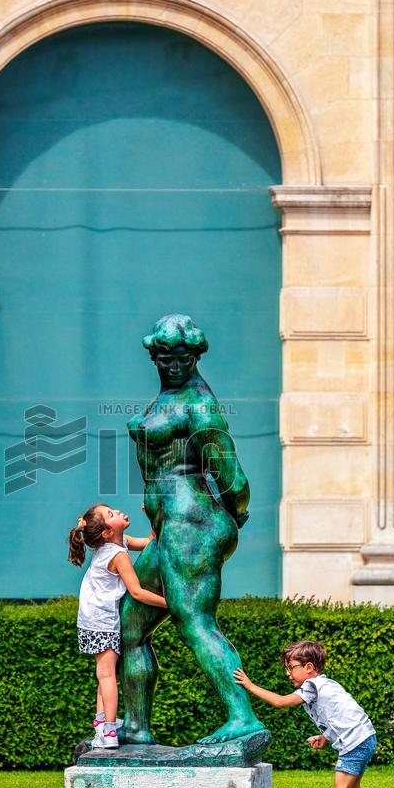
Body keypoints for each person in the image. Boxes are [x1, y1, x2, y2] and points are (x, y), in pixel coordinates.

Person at [120, 314, 267, 751]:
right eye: (164, 356)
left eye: (181, 357)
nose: (171, 364)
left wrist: (231, 517)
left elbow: (232, 475)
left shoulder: (200, 404)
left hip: (192, 522)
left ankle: (243, 717)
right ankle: (135, 728)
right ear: (154, 356)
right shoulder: (166, 398)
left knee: (195, 621)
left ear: (196, 356)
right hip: (169, 526)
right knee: (130, 626)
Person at [233, 640, 377, 788]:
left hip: (354, 743)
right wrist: (325, 737)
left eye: (291, 667)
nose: (288, 673)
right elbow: (340, 715)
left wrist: (250, 685)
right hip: (365, 737)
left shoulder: (311, 686)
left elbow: (281, 702)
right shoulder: (328, 685)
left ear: (309, 667)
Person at [67, 503, 168, 749]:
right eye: (110, 514)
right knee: (107, 675)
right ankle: (110, 731)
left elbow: (150, 544)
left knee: (103, 674)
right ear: (106, 533)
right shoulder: (118, 555)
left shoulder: (117, 544)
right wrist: (169, 603)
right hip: (101, 622)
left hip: (92, 620)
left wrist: (152, 515)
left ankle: (101, 725)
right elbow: (137, 592)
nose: (118, 512)